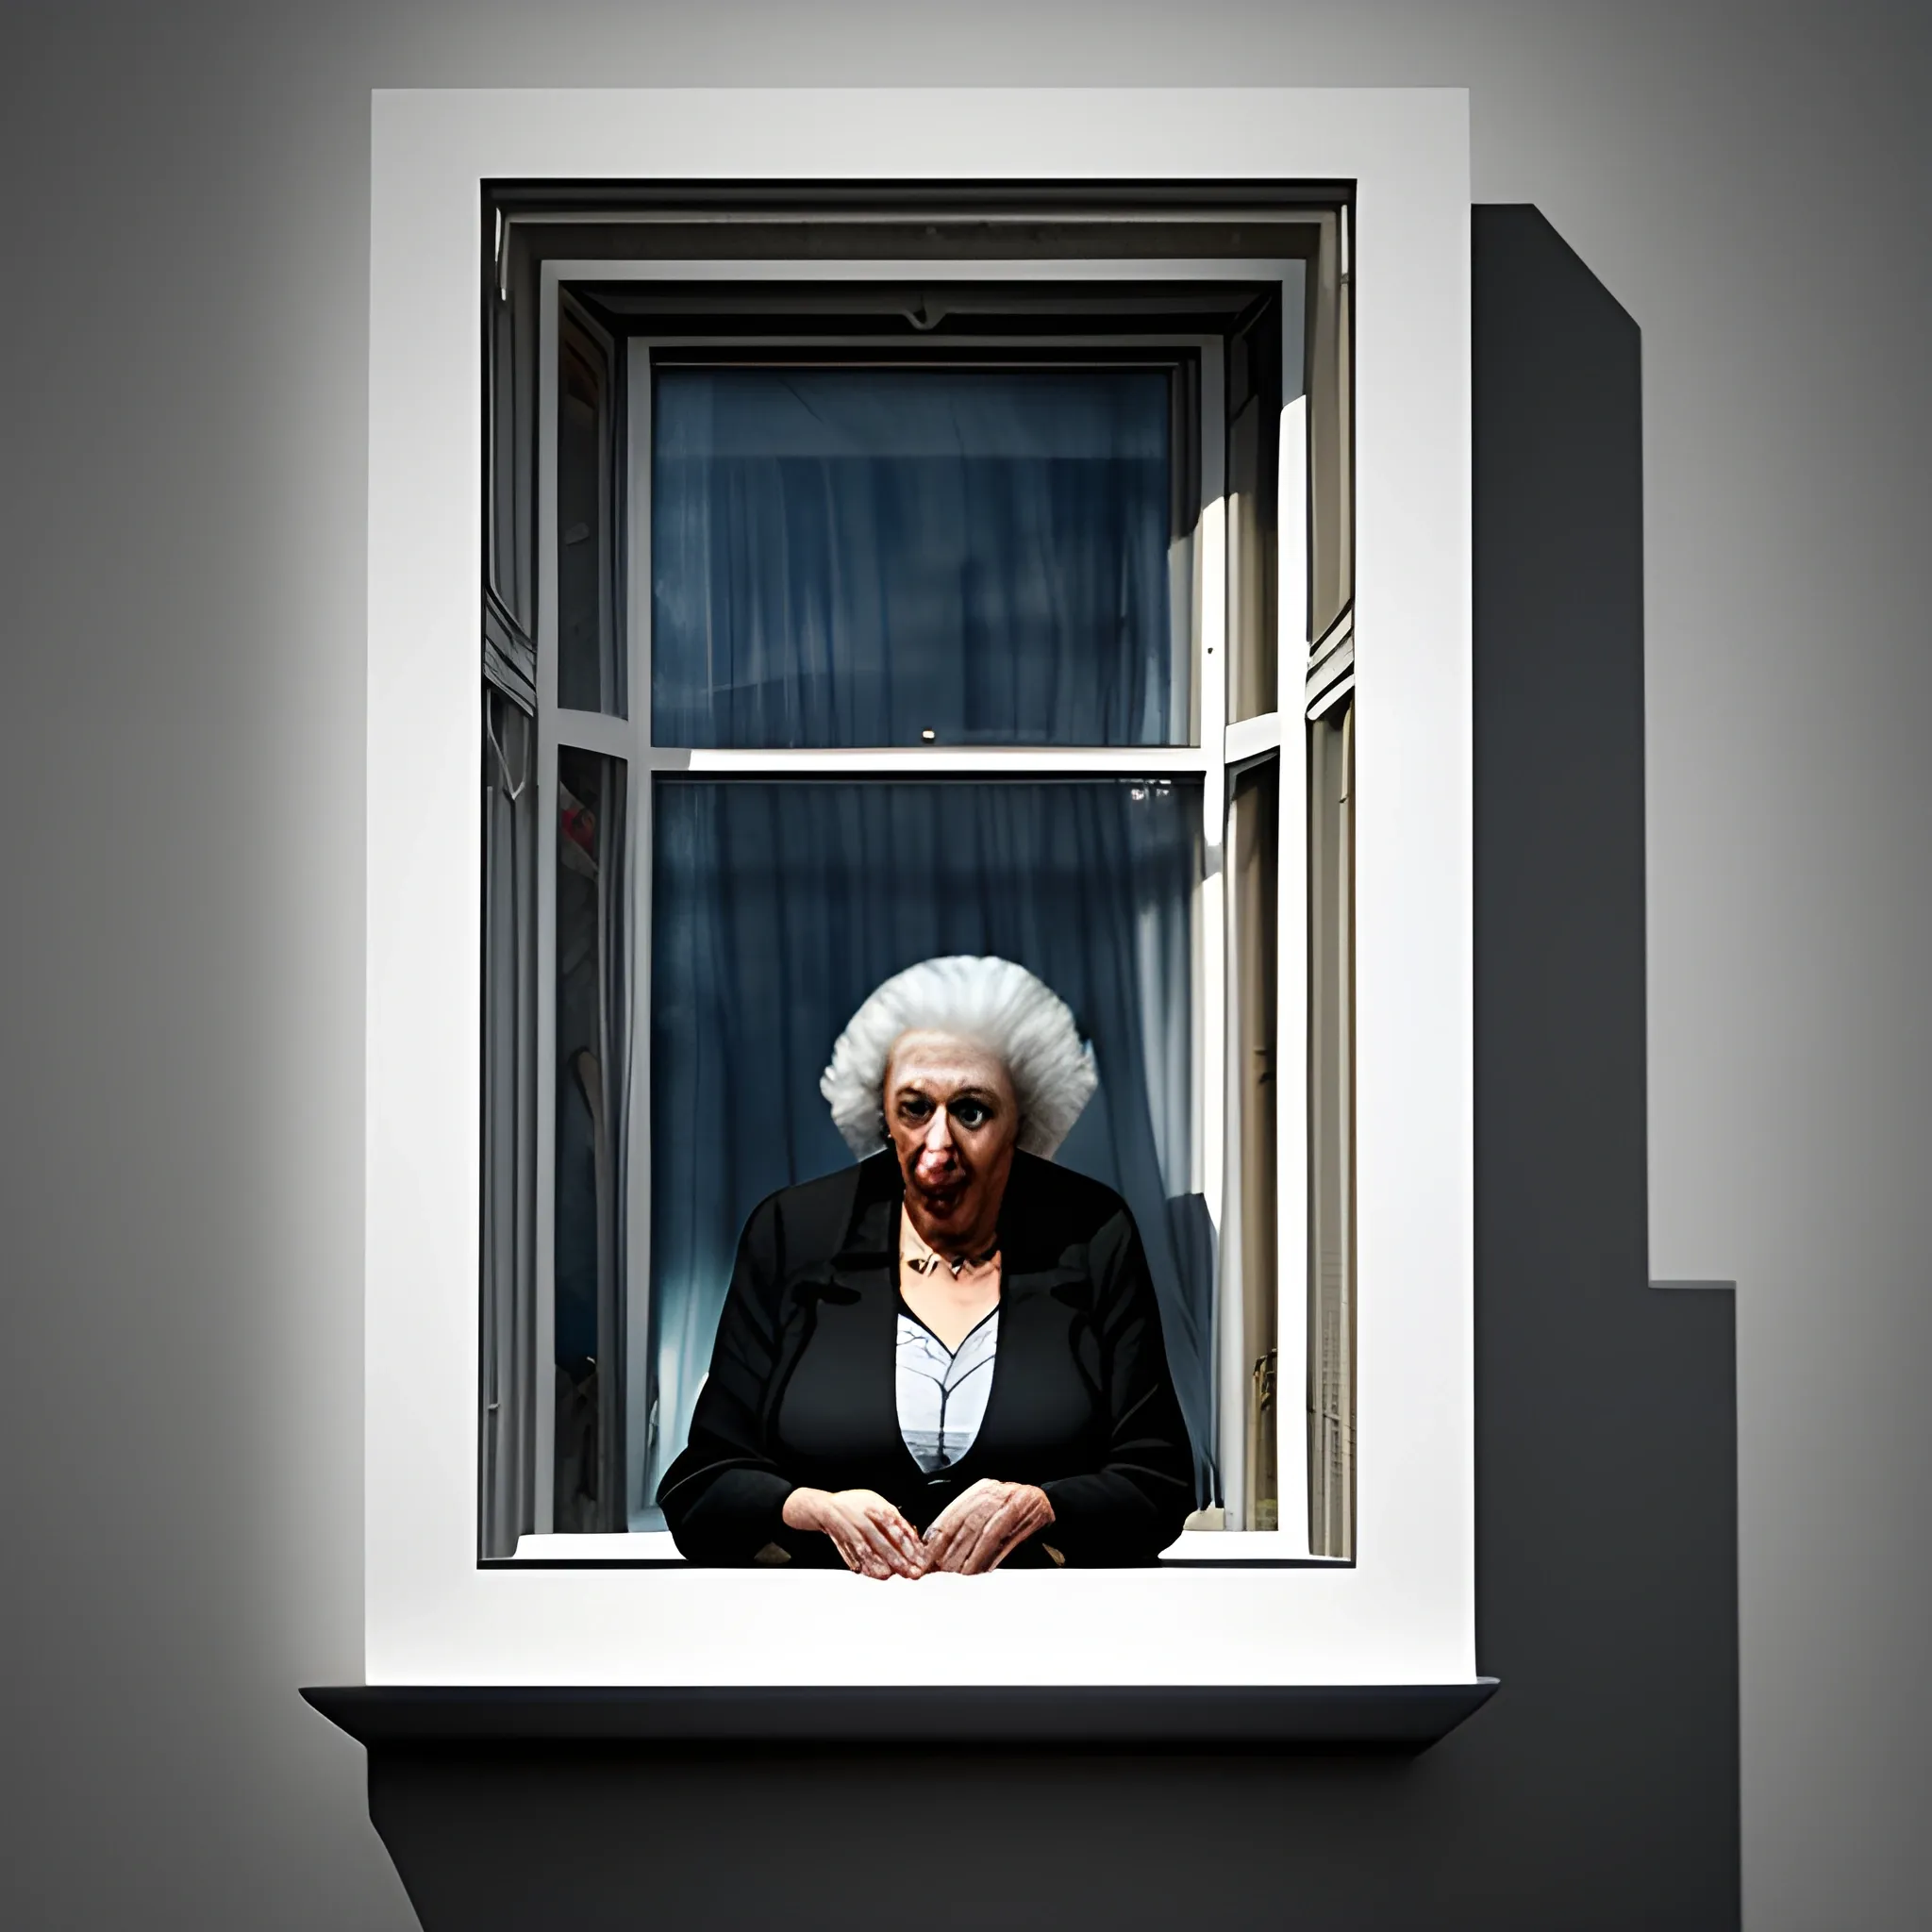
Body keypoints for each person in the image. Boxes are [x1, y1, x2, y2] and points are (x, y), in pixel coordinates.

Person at [658, 956, 1194, 1574]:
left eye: (971, 1112)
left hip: (1039, 1635)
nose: (937, 1150)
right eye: (914, 1109)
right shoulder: (794, 1232)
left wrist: (1045, 1504)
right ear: (881, 1113)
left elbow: (1159, 1481)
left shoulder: (1094, 1233)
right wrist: (812, 1508)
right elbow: (701, 1488)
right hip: (822, 1636)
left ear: (1025, 1118)